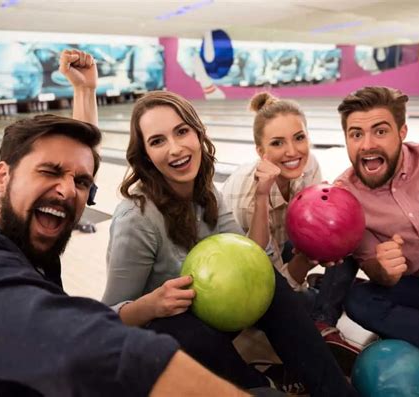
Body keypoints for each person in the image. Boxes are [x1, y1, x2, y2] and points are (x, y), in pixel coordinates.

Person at [61, 49, 358, 396]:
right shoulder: (137, 217)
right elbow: (110, 317)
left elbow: (251, 258)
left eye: (181, 132)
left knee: (271, 282)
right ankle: (259, 389)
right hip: (165, 340)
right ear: (145, 155)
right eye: (158, 141)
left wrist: (263, 197)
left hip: (217, 318)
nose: (175, 148)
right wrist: (154, 303)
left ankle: (334, 389)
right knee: (182, 326)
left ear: (198, 134)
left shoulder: (207, 194)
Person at [0, 114, 251, 396]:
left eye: (80, 182)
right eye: (49, 171)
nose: (68, 190)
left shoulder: (31, 237)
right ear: (2, 176)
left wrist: (85, 90)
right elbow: (86, 345)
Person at [221, 92, 360, 374]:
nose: (293, 151)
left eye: (299, 137)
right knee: (294, 303)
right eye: (277, 143)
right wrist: (304, 262)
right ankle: (321, 304)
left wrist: (327, 245)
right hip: (247, 277)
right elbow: (265, 282)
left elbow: (323, 226)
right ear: (261, 152)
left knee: (346, 236)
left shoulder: (309, 166)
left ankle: (322, 317)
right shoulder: (246, 196)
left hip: (285, 245)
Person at [335, 86, 419, 377]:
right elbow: (374, 269)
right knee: (360, 301)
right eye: (356, 134)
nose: (367, 144)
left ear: (402, 131)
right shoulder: (345, 198)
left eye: (380, 131)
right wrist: (381, 270)